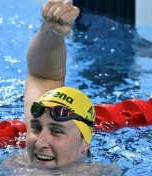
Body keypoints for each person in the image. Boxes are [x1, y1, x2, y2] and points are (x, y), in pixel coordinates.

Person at [24, 0, 96, 168]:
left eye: (57, 131)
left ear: (84, 144)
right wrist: (51, 30)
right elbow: (42, 77)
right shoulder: (18, 164)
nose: (40, 143)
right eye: (35, 127)